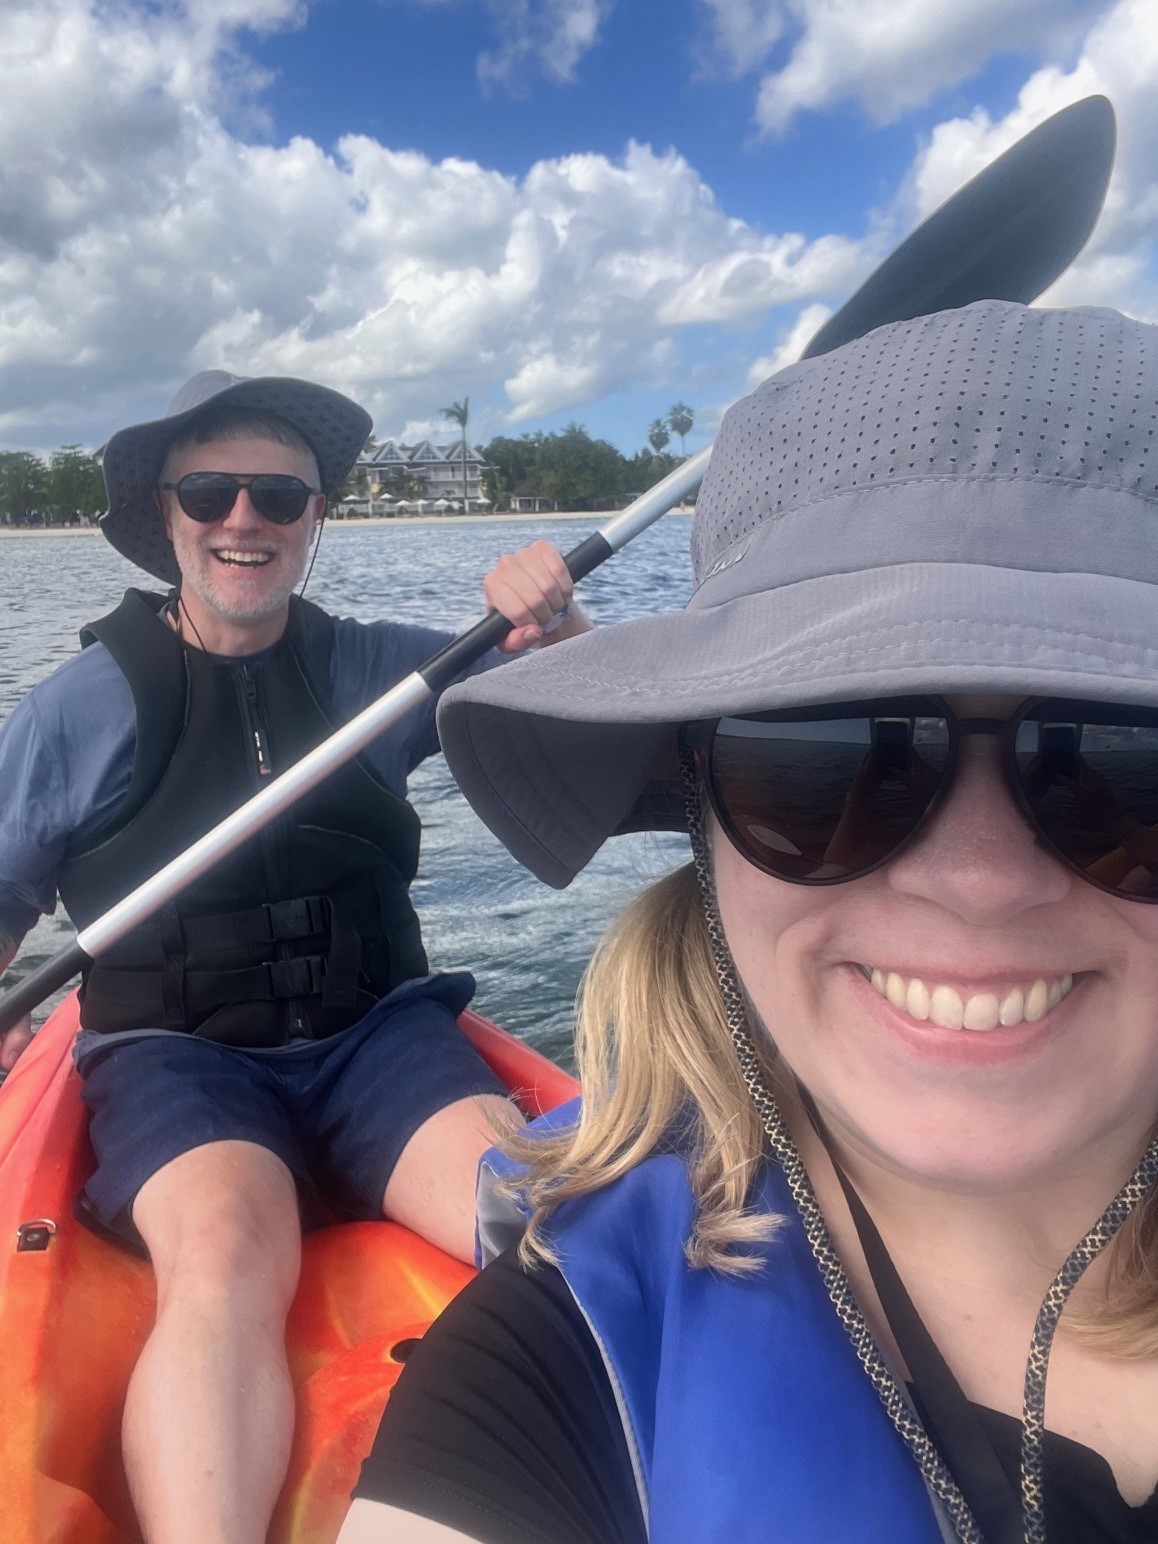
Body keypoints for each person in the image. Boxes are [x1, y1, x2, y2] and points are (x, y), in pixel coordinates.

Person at [343, 301, 1158, 1544]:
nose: (982, 879)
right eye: (828, 761)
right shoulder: (559, 1363)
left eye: (1125, 763)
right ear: (701, 814)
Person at [0, 368, 591, 1544]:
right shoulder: (80, 706)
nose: (243, 521)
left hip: (378, 1038)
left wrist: (560, 631)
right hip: (177, 1053)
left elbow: (590, 722)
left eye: (278, 496)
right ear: (166, 513)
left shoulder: (386, 671)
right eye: (211, 491)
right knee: (225, 1251)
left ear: (316, 516)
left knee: (543, 1220)